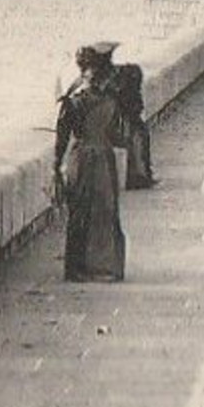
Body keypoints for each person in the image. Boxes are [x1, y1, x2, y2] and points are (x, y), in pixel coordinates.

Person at [55, 42, 128, 283]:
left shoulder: (74, 100)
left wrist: (57, 166)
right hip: (103, 157)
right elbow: (117, 134)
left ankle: (76, 267)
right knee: (105, 210)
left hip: (82, 157)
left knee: (80, 211)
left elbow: (63, 137)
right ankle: (105, 264)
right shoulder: (111, 98)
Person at [114, 58, 157, 189]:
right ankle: (140, 176)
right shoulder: (134, 95)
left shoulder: (117, 91)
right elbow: (138, 108)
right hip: (132, 125)